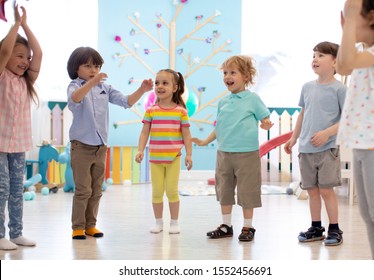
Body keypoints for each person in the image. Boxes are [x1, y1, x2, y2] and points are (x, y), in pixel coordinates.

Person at [67, 46, 153, 239]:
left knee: (97, 190)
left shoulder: (106, 88)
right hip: (81, 146)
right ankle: (78, 227)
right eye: (88, 66)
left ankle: (91, 225)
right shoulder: (74, 86)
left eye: (96, 66)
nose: (93, 70)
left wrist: (142, 89)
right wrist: (92, 82)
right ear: (75, 68)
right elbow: (76, 98)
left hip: (100, 146)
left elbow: (127, 101)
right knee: (83, 189)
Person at [192, 55, 273, 242]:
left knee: (247, 191)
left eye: (233, 72)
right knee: (224, 190)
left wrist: (266, 124)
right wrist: (205, 141)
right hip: (224, 153)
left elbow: (265, 118)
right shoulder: (223, 102)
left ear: (246, 76)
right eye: (225, 73)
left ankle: (248, 226)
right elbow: (219, 127)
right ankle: (226, 225)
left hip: (247, 154)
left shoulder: (253, 99)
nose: (227, 76)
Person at [336, 0, 374, 259]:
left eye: (351, 15)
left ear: (369, 17)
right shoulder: (365, 50)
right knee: (368, 213)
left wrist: (348, 24)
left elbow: (344, 65)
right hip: (363, 141)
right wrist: (348, 24)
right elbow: (343, 64)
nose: (346, 20)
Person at [284, 41, 347, 246]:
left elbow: (347, 118)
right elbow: (303, 114)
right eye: (314, 55)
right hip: (306, 149)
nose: (315, 59)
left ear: (335, 62)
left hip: (328, 149)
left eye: (321, 56)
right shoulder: (307, 87)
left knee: (327, 190)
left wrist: (327, 133)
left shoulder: (340, 89)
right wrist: (294, 138)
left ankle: (335, 229)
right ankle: (316, 227)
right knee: (312, 190)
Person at [0, 3, 42, 250]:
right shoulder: (2, 75)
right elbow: (4, 52)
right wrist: (15, 24)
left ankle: (16, 233)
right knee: (1, 188)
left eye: (26, 58)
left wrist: (26, 23)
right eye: (20, 56)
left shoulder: (26, 80)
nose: (26, 61)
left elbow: (39, 54)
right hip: (0, 143)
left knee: (17, 188)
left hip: (18, 144)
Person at [136, 69, 192, 234]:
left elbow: (187, 135)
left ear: (175, 88)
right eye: (157, 83)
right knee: (157, 192)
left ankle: (174, 222)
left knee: (172, 191)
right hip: (155, 158)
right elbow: (144, 132)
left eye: (165, 83)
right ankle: (158, 222)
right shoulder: (151, 111)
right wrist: (140, 150)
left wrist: (189, 154)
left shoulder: (181, 111)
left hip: (173, 157)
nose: (159, 86)